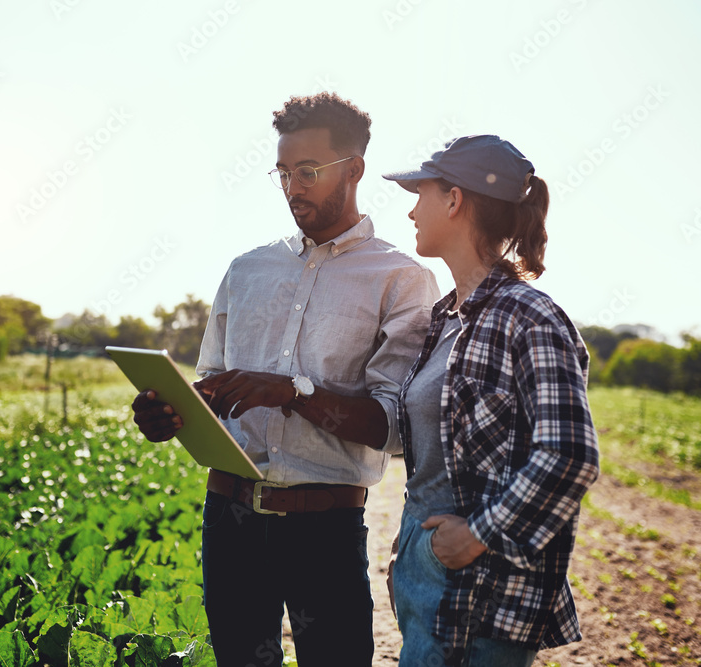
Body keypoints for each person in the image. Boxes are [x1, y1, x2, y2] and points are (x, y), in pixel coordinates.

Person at [131, 92, 439, 667]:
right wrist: (168, 415)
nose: (293, 187)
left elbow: (393, 426)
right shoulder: (247, 270)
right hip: (228, 521)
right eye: (283, 173)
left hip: (325, 527)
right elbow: (213, 389)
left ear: (354, 169)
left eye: (308, 171)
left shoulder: (402, 278)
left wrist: (292, 391)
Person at [382, 135, 601, 667]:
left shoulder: (531, 317)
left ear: (454, 201)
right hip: (427, 568)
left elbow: (570, 455)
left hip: (478, 590)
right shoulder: (446, 317)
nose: (411, 209)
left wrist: (476, 536)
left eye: (421, 192)